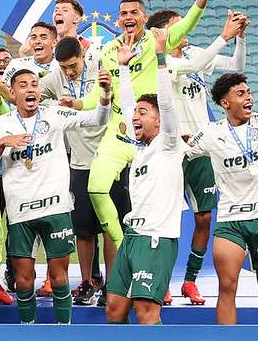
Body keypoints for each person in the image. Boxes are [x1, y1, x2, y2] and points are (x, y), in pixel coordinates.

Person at [69, 0, 212, 305]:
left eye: (134, 13)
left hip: (154, 135)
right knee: (95, 187)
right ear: (118, 20)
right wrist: (75, 103)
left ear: (144, 18)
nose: (128, 18)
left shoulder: (156, 40)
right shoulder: (108, 51)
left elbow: (186, 26)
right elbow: (95, 95)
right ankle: (124, 244)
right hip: (119, 133)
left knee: (158, 202)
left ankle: (158, 278)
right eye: (124, 14)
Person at [0, 65, 111, 324]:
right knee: (23, 280)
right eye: (23, 85)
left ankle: (64, 332)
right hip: (20, 214)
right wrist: (1, 145)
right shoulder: (0, 125)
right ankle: (29, 331)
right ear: (13, 94)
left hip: (55, 208)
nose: (30, 89)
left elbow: (96, 119)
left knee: (59, 275)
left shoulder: (54, 113)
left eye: (34, 84)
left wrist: (105, 95)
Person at [149, 8, 248, 305]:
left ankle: (189, 281)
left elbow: (235, 65)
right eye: (179, 26)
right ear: (161, 34)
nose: (186, 30)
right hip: (173, 150)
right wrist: (223, 36)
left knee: (204, 217)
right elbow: (198, 64)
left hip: (202, 148)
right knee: (164, 218)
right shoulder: (161, 60)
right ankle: (161, 281)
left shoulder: (193, 53)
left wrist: (239, 39)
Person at [40, 36, 130, 305]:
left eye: (72, 65)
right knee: (83, 230)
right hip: (78, 163)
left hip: (109, 158)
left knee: (110, 226)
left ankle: (112, 285)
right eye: (64, 67)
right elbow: (28, 91)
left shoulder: (100, 67)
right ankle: (88, 282)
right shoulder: (55, 77)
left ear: (82, 55)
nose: (69, 71)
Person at [105, 28, 185, 325]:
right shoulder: (139, 147)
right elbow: (126, 107)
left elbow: (165, 102)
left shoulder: (169, 142)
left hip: (156, 239)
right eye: (136, 112)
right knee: (114, 309)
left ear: (159, 120)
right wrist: (123, 68)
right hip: (132, 238)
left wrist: (161, 56)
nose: (135, 116)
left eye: (143, 112)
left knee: (146, 311)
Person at [184, 72, 258, 324]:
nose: (249, 98)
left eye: (249, 92)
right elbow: (181, 152)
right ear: (225, 103)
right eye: (241, 94)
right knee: (226, 286)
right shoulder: (211, 133)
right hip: (230, 220)